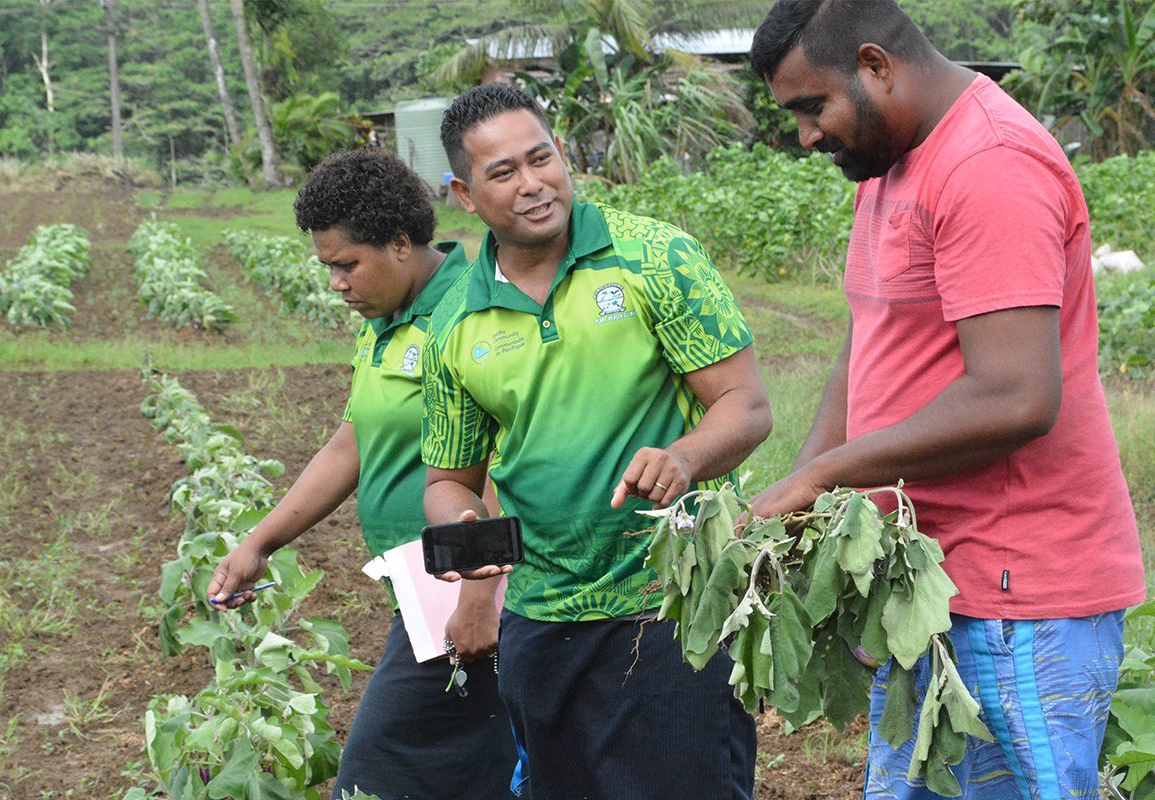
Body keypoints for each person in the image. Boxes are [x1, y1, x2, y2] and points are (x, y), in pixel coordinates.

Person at [746, 2, 1147, 798]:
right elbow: (866, 343)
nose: (806, 136)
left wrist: (825, 476)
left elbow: (1015, 397)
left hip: (1020, 601)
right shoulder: (893, 165)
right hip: (931, 588)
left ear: (875, 65)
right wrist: (805, 495)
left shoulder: (988, 163)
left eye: (811, 107)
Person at [419, 82, 773, 799]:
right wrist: (464, 529)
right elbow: (448, 480)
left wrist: (684, 457)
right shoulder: (454, 320)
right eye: (503, 173)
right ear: (463, 192)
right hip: (543, 618)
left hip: (674, 605)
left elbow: (746, 406)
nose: (533, 185)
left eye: (541, 158)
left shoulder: (653, 259)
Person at [206, 148, 517, 800]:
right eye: (328, 268)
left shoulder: (468, 316)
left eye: (347, 265)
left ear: (402, 244)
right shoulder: (386, 322)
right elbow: (350, 445)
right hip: (427, 589)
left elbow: (501, 466)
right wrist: (260, 543)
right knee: (482, 764)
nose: (336, 284)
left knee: (376, 768)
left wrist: (477, 596)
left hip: (465, 590)